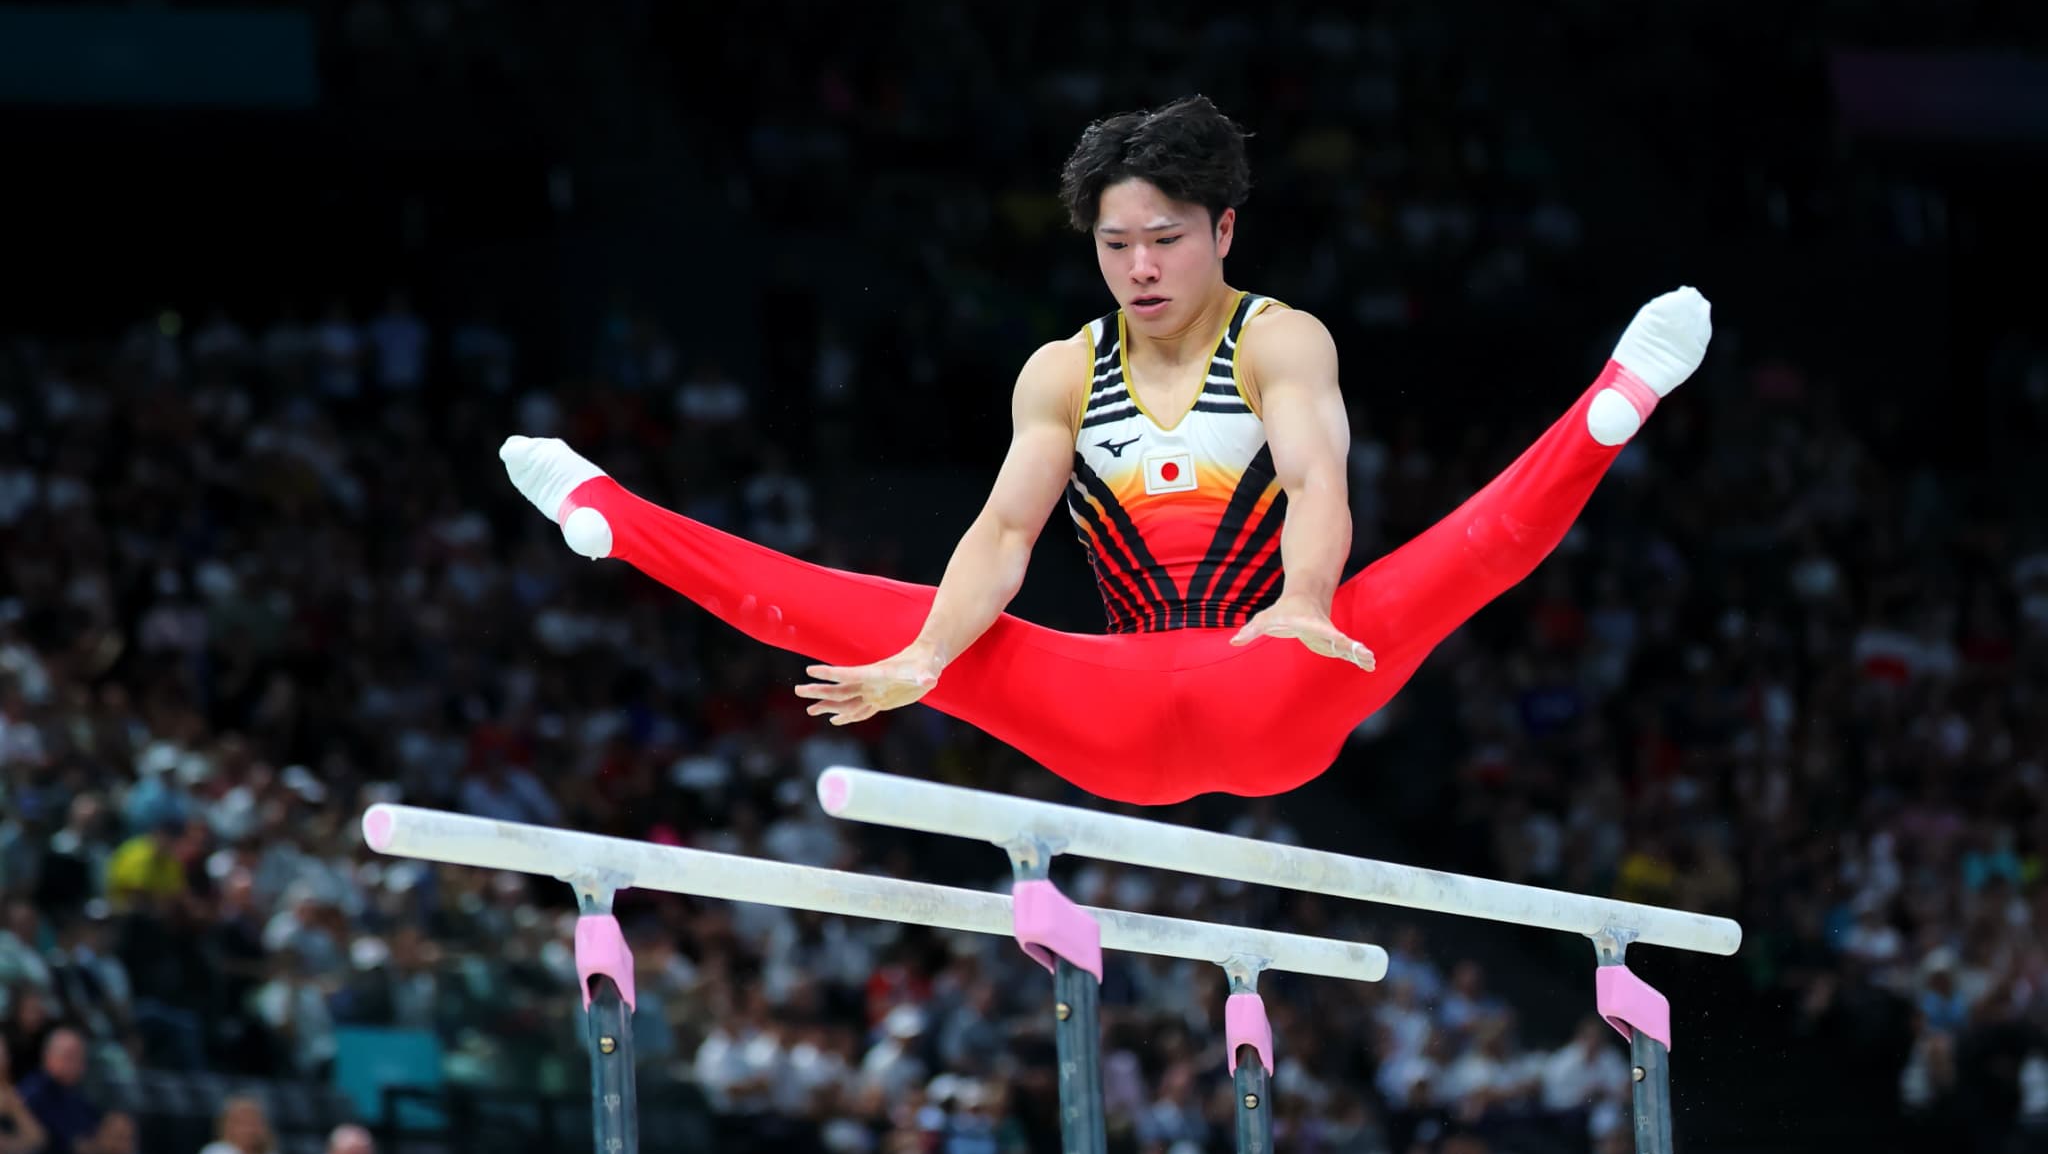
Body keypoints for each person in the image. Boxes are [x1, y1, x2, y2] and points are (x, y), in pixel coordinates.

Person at [501, 97, 1710, 806]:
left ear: (1221, 229)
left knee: (1447, 566)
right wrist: (925, 658)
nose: (1139, 268)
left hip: (1280, 669)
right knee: (871, 617)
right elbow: (1005, 533)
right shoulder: (1062, 371)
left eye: (1165, 241)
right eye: (1115, 243)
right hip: (1113, 708)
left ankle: (1612, 403)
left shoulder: (1281, 341)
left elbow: (1311, 478)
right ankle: (614, 515)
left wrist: (1297, 604)